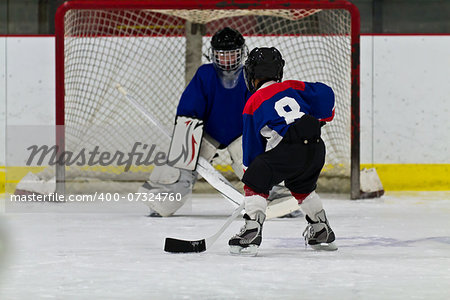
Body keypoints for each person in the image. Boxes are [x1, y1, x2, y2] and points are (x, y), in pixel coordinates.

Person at [228, 47, 337, 255]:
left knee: (255, 177)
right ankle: (321, 228)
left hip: (290, 148)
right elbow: (325, 94)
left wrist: (252, 181)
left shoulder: (253, 102)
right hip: (315, 146)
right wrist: (324, 116)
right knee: (302, 187)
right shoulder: (293, 86)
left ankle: (251, 230)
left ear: (250, 75)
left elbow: (252, 149)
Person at [139, 27, 252, 217]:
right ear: (213, 55)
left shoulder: (250, 74)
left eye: (232, 55)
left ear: (242, 53)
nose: (227, 60)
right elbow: (190, 106)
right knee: (181, 154)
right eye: (222, 55)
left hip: (242, 132)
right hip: (208, 131)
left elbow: (258, 107)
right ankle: (163, 198)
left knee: (256, 160)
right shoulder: (205, 74)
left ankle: (275, 196)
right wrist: (188, 136)